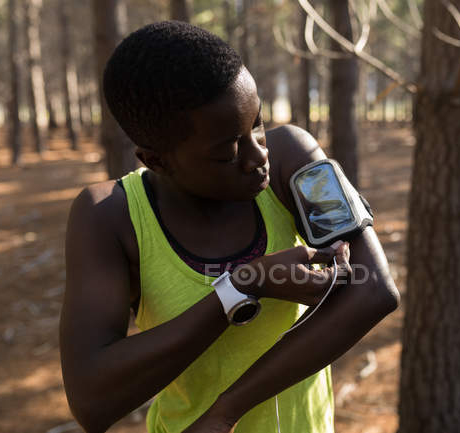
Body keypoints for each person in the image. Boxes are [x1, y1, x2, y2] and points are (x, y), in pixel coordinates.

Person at [60, 21, 399, 433]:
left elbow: (374, 289)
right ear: (156, 160)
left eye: (256, 123)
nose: (258, 157)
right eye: (227, 152)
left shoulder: (294, 158)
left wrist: (227, 410)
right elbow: (91, 400)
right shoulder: (110, 217)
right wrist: (241, 287)